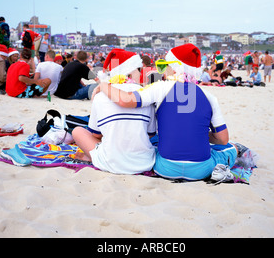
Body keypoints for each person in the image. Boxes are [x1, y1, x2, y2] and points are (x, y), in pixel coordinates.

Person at [93, 43, 237, 181]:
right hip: (201, 171)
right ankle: (237, 150)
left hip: (165, 168)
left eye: (163, 66)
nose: (161, 70)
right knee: (230, 147)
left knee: (155, 141)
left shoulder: (160, 88)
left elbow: (125, 100)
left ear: (175, 69)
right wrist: (197, 133)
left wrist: (104, 85)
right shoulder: (209, 97)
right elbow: (222, 139)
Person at [72, 49, 157, 175]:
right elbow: (150, 134)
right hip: (144, 162)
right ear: (131, 72)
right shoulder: (145, 95)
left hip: (111, 162)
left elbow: (96, 135)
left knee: (77, 131)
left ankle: (92, 156)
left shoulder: (101, 96)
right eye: (138, 70)